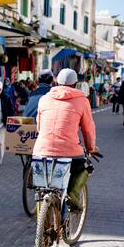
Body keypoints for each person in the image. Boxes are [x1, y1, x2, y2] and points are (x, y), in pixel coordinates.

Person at [33, 69, 99, 212]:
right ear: (76, 84)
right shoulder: (82, 101)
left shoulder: (44, 98)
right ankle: (73, 195)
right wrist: (90, 147)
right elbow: (88, 129)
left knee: (42, 187)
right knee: (86, 166)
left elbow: (39, 127)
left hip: (41, 150)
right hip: (69, 152)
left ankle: (42, 223)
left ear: (56, 82)